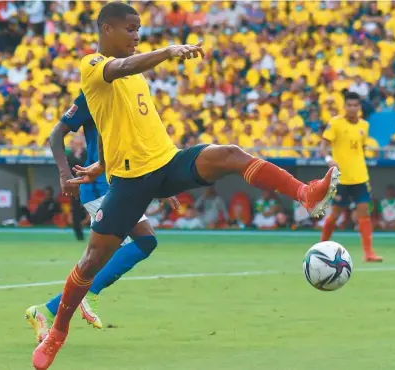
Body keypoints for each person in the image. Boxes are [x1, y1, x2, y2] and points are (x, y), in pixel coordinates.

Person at [32, 3, 339, 369]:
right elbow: (122, 67)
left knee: (229, 153)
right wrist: (168, 51)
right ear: (106, 29)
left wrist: (103, 164)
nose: (136, 35)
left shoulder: (136, 77)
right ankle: (57, 332)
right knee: (92, 261)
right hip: (131, 183)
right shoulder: (93, 66)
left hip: (166, 162)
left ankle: (306, 194)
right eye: (130, 29)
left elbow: (131, 131)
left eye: (138, 29)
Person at [25, 91, 178, 344]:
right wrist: (64, 175)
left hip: (122, 182)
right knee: (141, 242)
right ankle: (88, 292)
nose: (133, 50)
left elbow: (139, 144)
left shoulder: (132, 92)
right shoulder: (94, 93)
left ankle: (47, 311)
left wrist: (160, 186)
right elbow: (55, 135)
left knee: (106, 254)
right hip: (98, 185)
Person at [320, 91, 383, 263]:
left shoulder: (364, 125)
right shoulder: (336, 123)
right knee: (335, 213)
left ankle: (369, 253)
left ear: (359, 107)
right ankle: (321, 246)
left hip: (360, 177)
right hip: (342, 178)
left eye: (356, 105)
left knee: (364, 213)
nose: (353, 108)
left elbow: (360, 150)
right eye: (350, 105)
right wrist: (329, 159)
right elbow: (323, 145)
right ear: (344, 106)